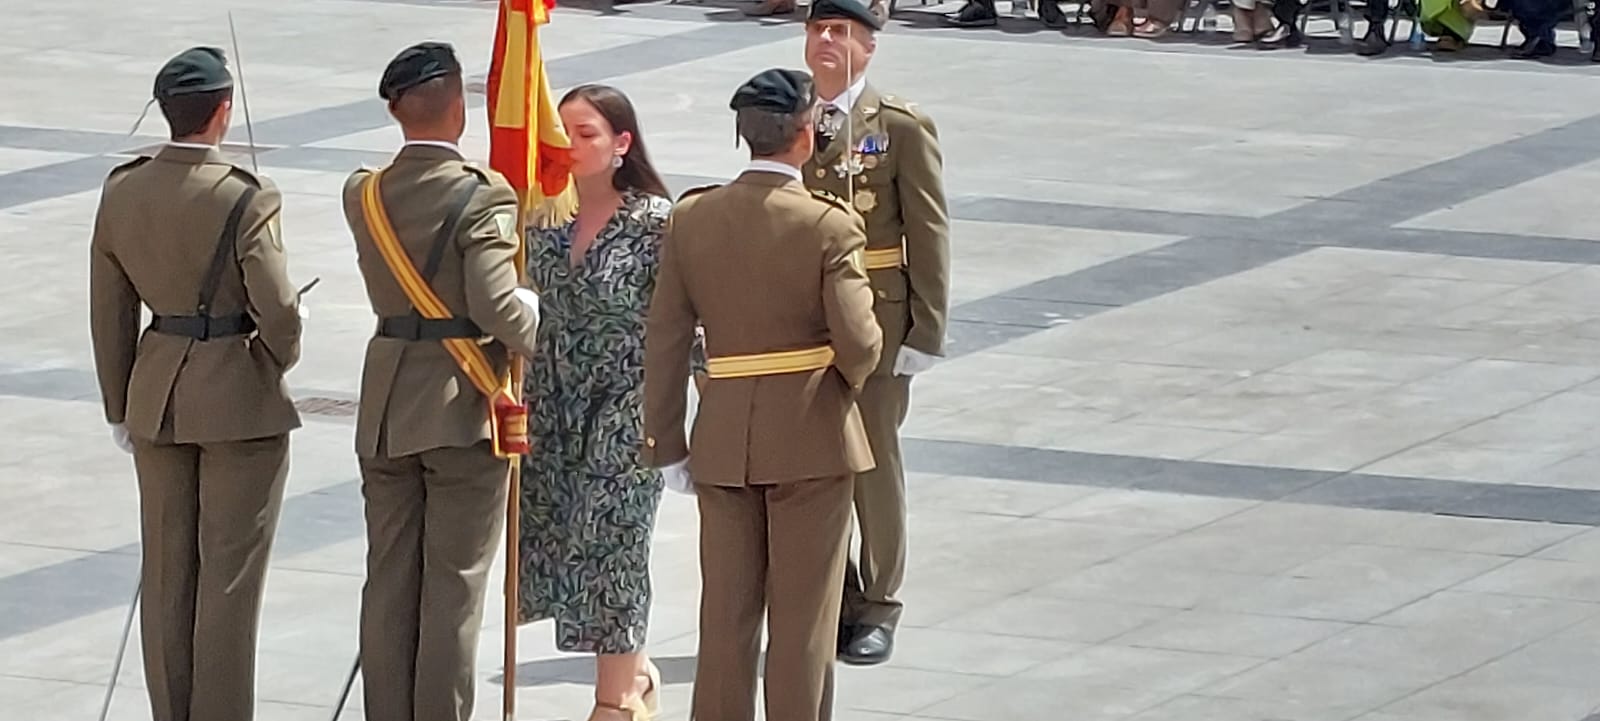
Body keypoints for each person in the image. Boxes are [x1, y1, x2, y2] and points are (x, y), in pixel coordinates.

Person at [641, 68, 882, 721]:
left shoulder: (693, 218)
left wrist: (666, 443)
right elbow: (861, 343)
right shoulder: (827, 226)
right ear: (805, 136)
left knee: (724, 619)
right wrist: (842, 383)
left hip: (722, 440)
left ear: (743, 137)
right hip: (812, 438)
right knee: (803, 624)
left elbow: (664, 338)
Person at [88, 46, 304, 721]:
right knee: (229, 580)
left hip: (156, 394)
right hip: (236, 396)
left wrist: (120, 403)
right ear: (222, 111)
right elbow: (280, 311)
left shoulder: (123, 188)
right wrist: (273, 359)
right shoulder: (245, 193)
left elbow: (110, 307)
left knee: (167, 572)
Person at [340, 41, 540, 721]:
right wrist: (533, 322)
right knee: (453, 590)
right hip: (461, 407)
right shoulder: (482, 193)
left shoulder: (362, 191)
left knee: (389, 584)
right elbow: (492, 303)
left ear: (397, 110)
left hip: (388, 403)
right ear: (459, 105)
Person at [515, 83, 673, 721]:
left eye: (587, 134)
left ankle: (615, 701)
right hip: (552, 411)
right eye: (565, 134)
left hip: (626, 415)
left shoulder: (655, 225)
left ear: (621, 144)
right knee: (558, 547)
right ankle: (636, 675)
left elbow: (683, 323)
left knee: (615, 552)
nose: (573, 147)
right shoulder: (540, 223)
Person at [801, 0, 951, 666]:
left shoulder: (897, 126)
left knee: (874, 462)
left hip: (880, 317)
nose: (825, 40)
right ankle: (837, 596)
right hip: (803, 318)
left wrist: (926, 327)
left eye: (840, 32)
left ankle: (881, 602)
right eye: (817, 29)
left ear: (868, 46)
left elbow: (928, 228)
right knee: (813, 465)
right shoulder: (788, 117)